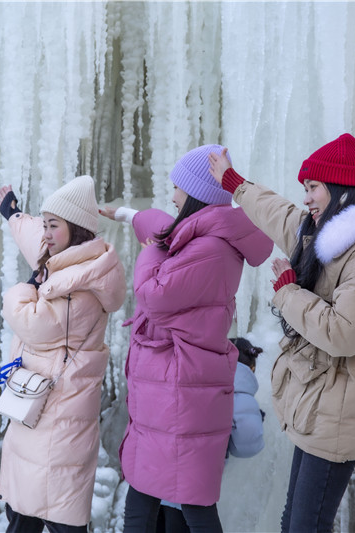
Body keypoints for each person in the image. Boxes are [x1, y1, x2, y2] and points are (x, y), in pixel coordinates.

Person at [208, 133, 355, 533]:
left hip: (345, 403)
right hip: (325, 399)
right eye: (305, 188)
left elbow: (345, 332)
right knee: (296, 521)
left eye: (313, 188)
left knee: (305, 525)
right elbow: (279, 214)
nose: (305, 197)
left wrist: (287, 292)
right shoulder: (328, 231)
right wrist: (235, 184)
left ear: (339, 190)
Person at [106, 144, 274, 533]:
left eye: (178, 187)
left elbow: (154, 294)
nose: (172, 194)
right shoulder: (204, 237)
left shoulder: (210, 249)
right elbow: (164, 228)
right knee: (146, 492)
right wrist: (126, 215)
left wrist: (148, 254)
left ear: (196, 193)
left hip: (179, 391)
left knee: (190, 502)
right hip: (173, 390)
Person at [0, 175, 126, 533]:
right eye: (46, 224)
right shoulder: (67, 259)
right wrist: (14, 214)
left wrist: (25, 288)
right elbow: (36, 236)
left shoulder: (81, 288)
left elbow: (32, 323)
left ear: (76, 229)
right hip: (38, 407)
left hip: (58, 416)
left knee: (58, 513)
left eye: (54, 226)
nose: (47, 234)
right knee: (24, 512)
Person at [155, 337, 266, 533]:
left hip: (157, 482)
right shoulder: (240, 392)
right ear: (251, 368)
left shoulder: (195, 378)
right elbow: (248, 445)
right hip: (193, 489)